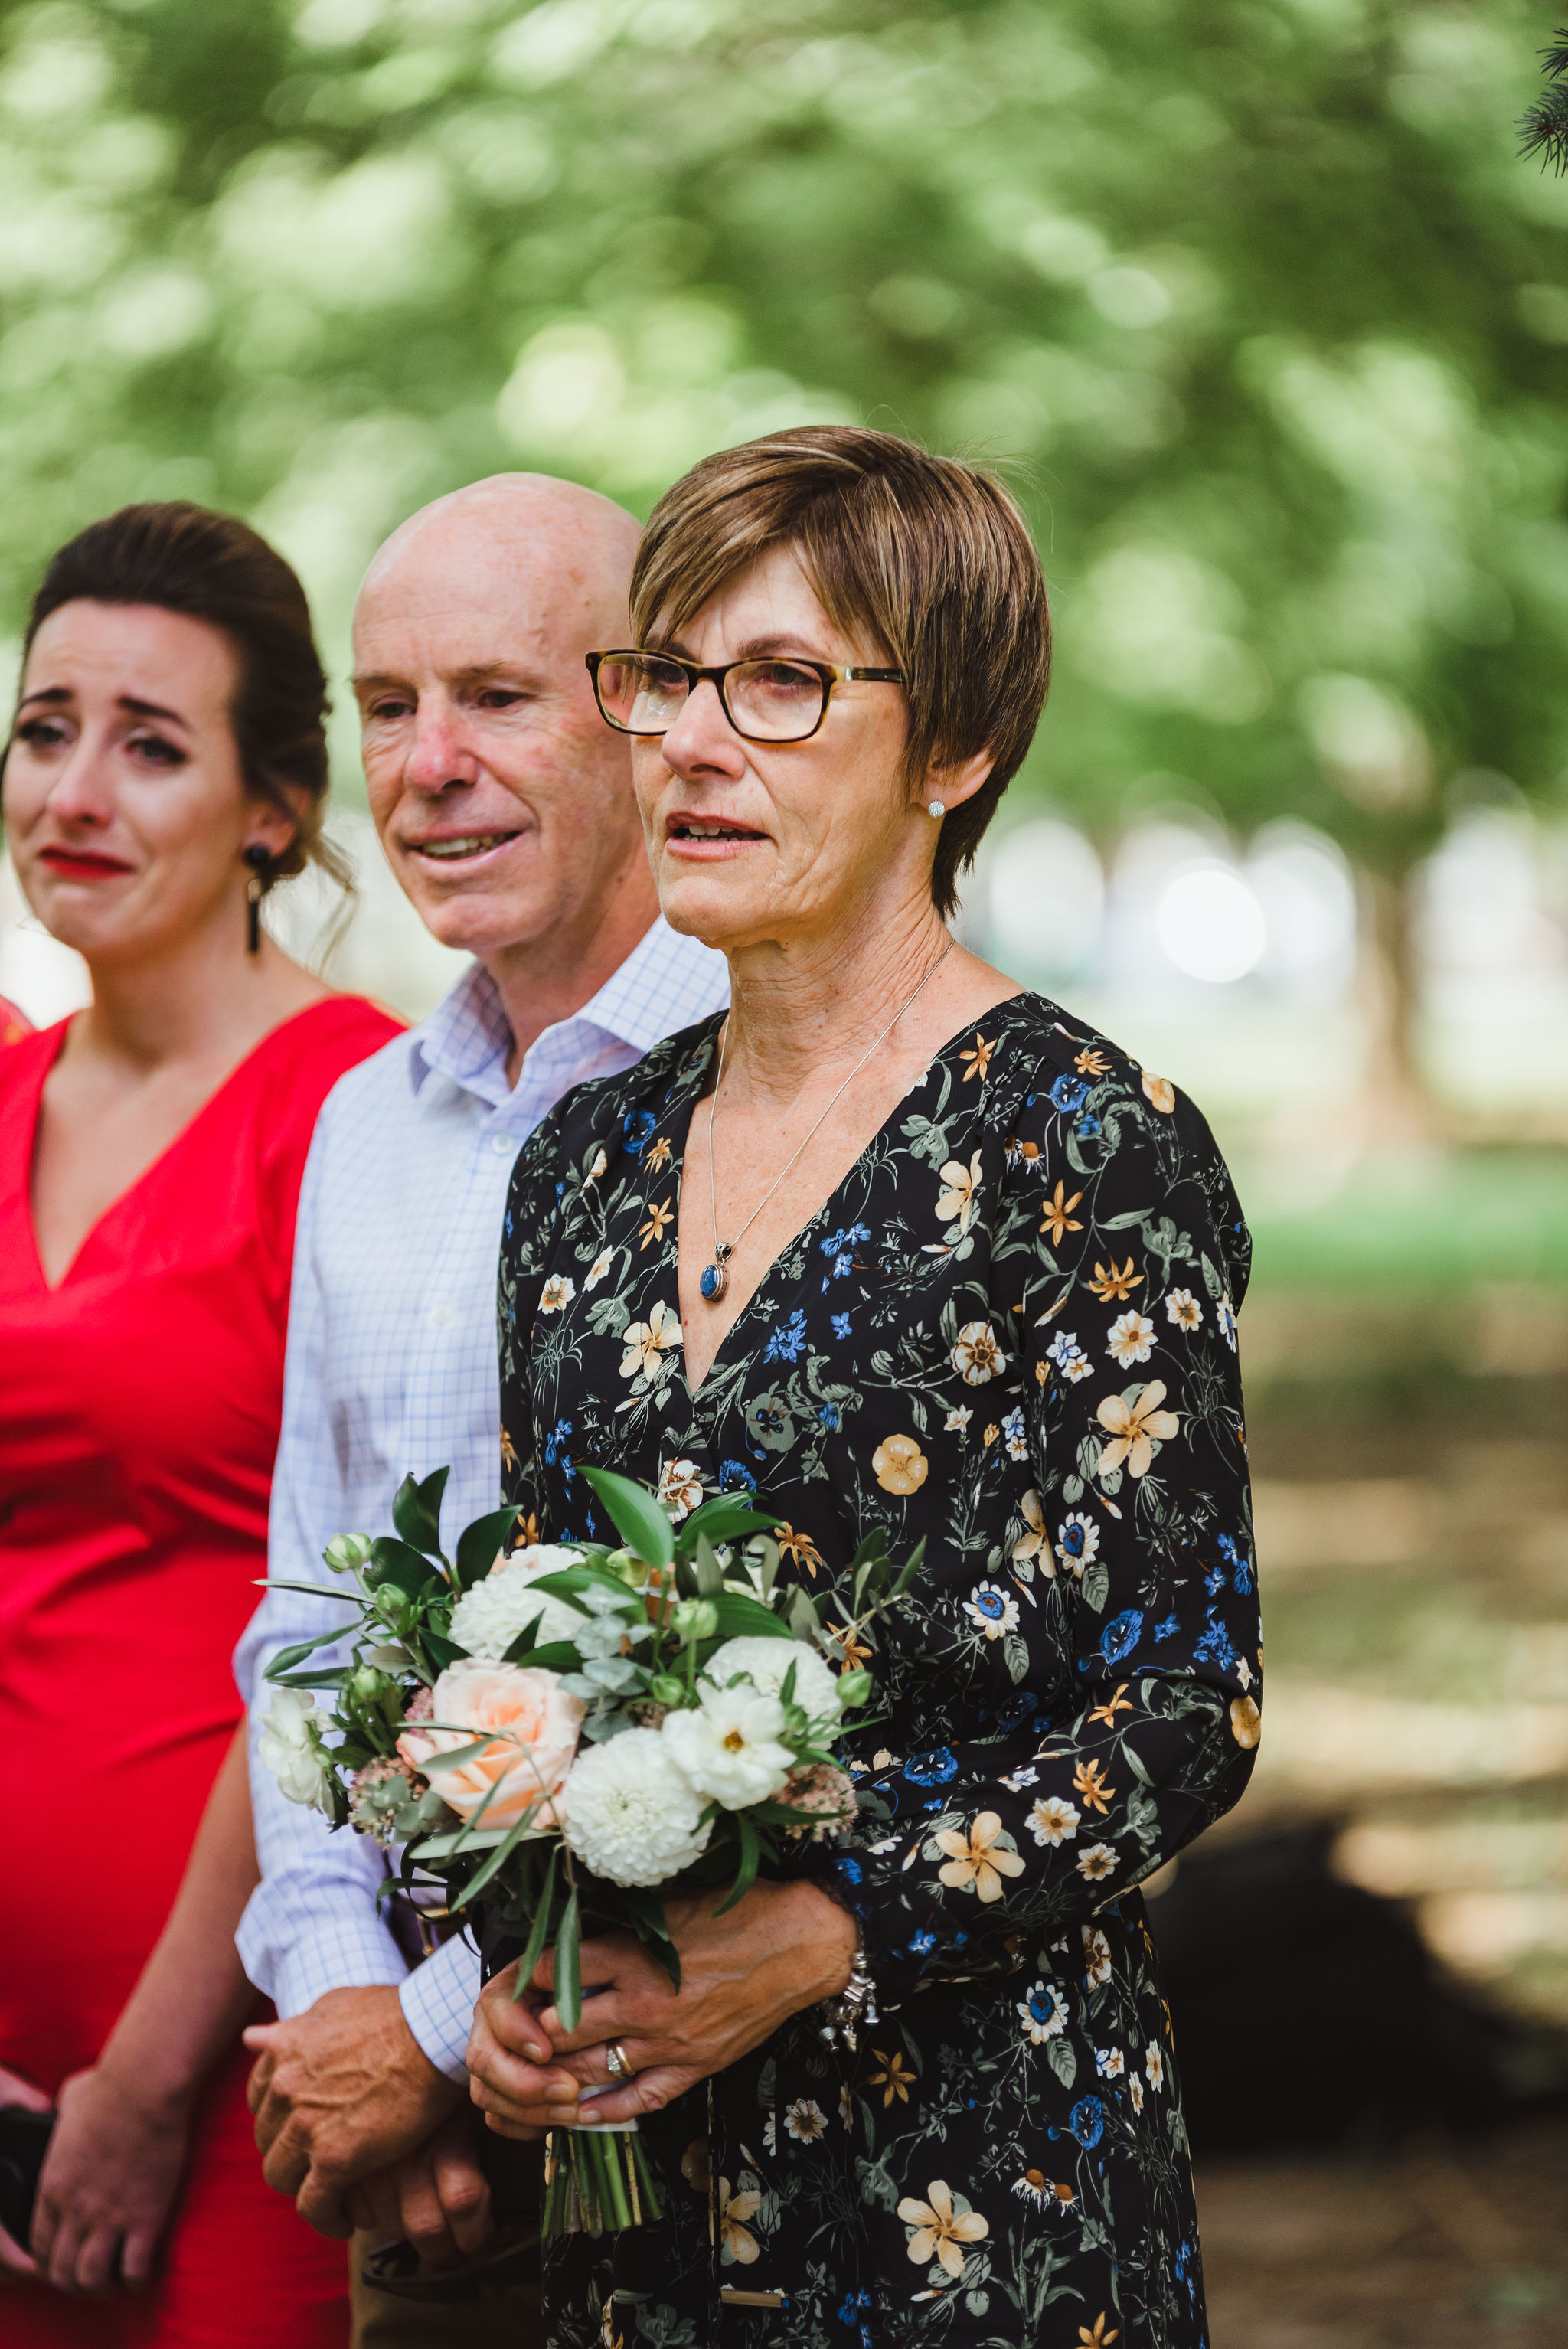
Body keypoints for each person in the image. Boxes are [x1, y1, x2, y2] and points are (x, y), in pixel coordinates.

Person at [468, 426, 1263, 2348]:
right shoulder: (583, 1161)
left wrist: (817, 1933)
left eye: (783, 682)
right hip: (638, 2199)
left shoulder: (1088, 1142)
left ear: (955, 747)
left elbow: (1184, 1705)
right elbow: (538, 1641)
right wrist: (514, 1958)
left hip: (984, 2186)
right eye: (664, 676)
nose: (690, 742)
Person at [230, 473, 728, 2340]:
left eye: (495, 697)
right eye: (385, 706)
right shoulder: (368, 1123)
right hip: (416, 2169)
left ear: (641, 705)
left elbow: (804, 1676)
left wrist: (430, 2043)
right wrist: (348, 1993)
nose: (427, 761)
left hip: (700, 2098)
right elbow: (308, 1613)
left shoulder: (756, 1086)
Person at [0, 502, 403, 2347]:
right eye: (44, 725)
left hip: (239, 2040)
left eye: (150, 743)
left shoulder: (365, 1110)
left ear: (272, 809)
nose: (77, 786)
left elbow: (359, 1619)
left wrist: (152, 2079)